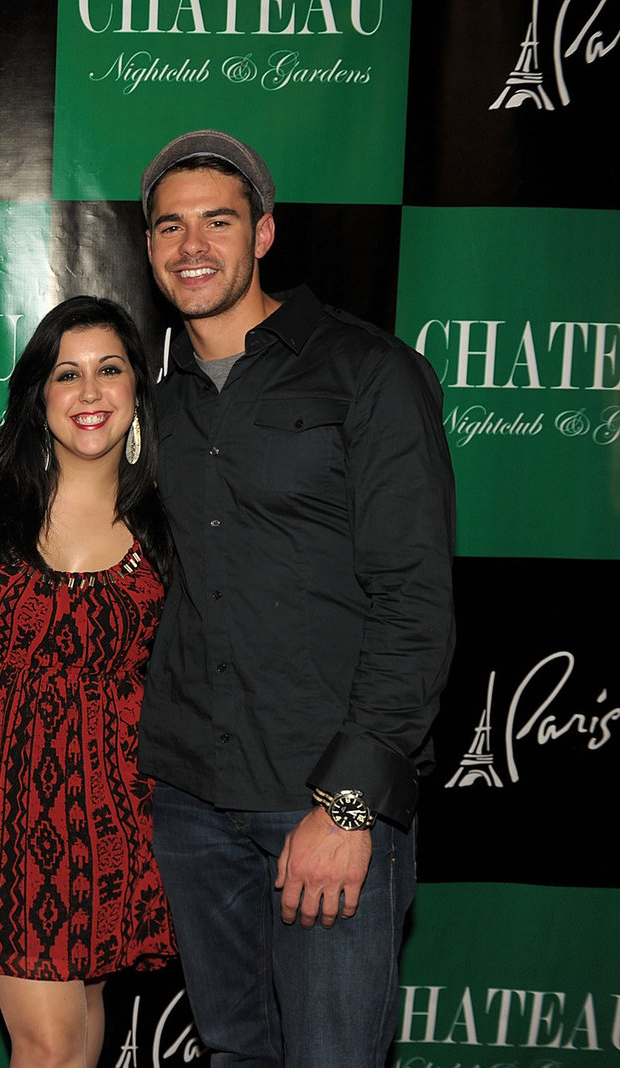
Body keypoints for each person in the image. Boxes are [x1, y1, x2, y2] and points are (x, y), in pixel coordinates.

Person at [138, 129, 455, 1066]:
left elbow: (415, 601)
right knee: (236, 1053)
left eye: (217, 222)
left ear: (264, 234)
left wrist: (349, 805)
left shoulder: (367, 372)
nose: (191, 246)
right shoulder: (154, 405)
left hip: (321, 799)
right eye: (169, 227)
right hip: (190, 798)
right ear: (149, 247)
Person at [0, 296, 177, 1068]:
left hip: (112, 806)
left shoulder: (170, 520)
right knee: (52, 1043)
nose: (89, 393)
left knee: (82, 1037)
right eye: (67, 374)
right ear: (38, 393)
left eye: (109, 370)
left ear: (137, 389)